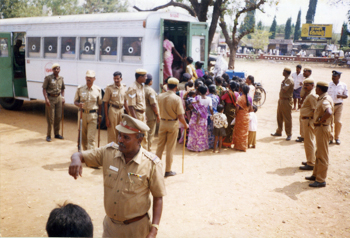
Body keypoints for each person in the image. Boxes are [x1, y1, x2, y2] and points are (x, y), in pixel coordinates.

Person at [69, 114, 166, 237]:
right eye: (119, 135)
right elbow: (80, 155)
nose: (120, 139)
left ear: (139, 139)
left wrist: (154, 229)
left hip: (136, 229)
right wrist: (75, 159)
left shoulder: (151, 164)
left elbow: (158, 197)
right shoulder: (108, 153)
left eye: (126, 137)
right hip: (111, 228)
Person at [156, 78, 188, 177]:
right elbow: (180, 116)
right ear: (176, 87)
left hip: (162, 122)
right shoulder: (177, 98)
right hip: (172, 124)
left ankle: (155, 168)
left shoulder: (160, 96)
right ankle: (168, 170)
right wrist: (186, 125)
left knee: (159, 147)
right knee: (170, 148)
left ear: (167, 85)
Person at [305, 81, 333, 188]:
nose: (315, 90)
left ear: (319, 89)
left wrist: (321, 120)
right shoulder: (324, 97)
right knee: (319, 153)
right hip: (321, 128)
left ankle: (321, 180)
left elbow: (329, 112)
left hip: (322, 128)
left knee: (322, 154)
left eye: (316, 88)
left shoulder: (325, 100)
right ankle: (316, 175)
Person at [74, 70, 102, 150]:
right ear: (85, 78)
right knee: (83, 137)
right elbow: (75, 101)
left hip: (93, 116)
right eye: (87, 77)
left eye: (90, 77)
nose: (88, 79)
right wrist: (78, 104)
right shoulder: (80, 89)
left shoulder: (98, 90)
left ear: (94, 79)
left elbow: (100, 104)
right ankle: (86, 154)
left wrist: (100, 116)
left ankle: (90, 157)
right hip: (82, 115)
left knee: (91, 138)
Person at [103, 71, 128, 143]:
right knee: (112, 132)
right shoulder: (109, 88)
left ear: (121, 79)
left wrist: (129, 114)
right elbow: (105, 103)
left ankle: (118, 150)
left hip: (121, 111)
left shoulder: (124, 88)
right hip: (113, 110)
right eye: (114, 78)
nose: (116, 80)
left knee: (120, 130)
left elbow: (125, 102)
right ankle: (111, 150)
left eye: (117, 78)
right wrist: (106, 118)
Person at [42, 63, 65, 142]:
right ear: (52, 70)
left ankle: (57, 134)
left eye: (57, 68)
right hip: (50, 98)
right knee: (50, 118)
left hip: (58, 98)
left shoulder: (61, 78)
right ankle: (48, 135)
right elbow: (44, 89)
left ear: (59, 70)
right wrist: (46, 99)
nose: (56, 70)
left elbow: (62, 89)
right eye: (55, 69)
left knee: (58, 116)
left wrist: (63, 97)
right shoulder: (48, 78)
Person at [299, 79, 318, 170]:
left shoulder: (312, 95)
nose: (305, 86)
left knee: (309, 142)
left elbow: (315, 110)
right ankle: (310, 159)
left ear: (312, 85)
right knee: (308, 142)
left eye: (307, 85)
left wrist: (312, 122)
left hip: (309, 121)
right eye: (304, 85)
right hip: (306, 120)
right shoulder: (309, 93)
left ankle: (311, 163)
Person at [126, 69, 148, 148]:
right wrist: (136, 121)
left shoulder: (141, 86)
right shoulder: (133, 88)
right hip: (136, 115)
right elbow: (131, 106)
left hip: (142, 114)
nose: (146, 78)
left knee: (144, 136)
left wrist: (144, 115)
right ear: (140, 77)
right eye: (145, 76)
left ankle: (144, 155)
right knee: (136, 136)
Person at [187, 85, 213, 152]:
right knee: (202, 133)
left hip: (195, 117)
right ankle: (201, 147)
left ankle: (193, 147)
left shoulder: (197, 98)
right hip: (204, 118)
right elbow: (210, 108)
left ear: (199, 91)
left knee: (194, 132)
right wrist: (213, 115)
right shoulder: (209, 99)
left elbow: (190, 105)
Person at [271, 67, 294, 141]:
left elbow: (284, 90)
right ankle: (279, 131)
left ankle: (289, 134)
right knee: (279, 116)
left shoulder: (289, 80)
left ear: (286, 72)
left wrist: (282, 86)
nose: (283, 72)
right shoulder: (285, 80)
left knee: (287, 118)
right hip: (281, 100)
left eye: (284, 71)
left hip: (286, 101)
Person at [328, 70, 348, 145]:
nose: (333, 78)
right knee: (329, 122)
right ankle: (330, 138)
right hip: (330, 105)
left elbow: (346, 95)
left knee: (338, 122)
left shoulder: (343, 85)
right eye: (332, 77)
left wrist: (341, 96)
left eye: (335, 77)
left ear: (339, 77)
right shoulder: (329, 85)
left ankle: (337, 137)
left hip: (339, 105)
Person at [296, 67, 313, 143]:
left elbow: (307, 93)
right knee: (302, 119)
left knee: (305, 120)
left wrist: (301, 102)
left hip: (307, 102)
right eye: (303, 71)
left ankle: (305, 136)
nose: (304, 73)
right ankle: (303, 135)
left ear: (310, 72)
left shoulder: (310, 81)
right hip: (304, 100)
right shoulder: (305, 80)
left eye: (305, 72)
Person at [233, 84, 252, 152]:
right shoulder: (250, 98)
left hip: (240, 116)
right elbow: (251, 109)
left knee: (238, 131)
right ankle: (244, 147)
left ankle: (238, 146)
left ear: (242, 90)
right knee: (245, 132)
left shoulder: (240, 98)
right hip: (246, 116)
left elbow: (237, 108)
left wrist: (236, 114)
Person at [221, 81, 240, 147]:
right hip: (233, 110)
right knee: (231, 126)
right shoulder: (237, 93)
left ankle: (225, 143)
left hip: (228, 110)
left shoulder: (227, 93)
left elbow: (222, 98)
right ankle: (230, 142)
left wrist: (222, 93)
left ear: (229, 86)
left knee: (227, 126)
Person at [145, 74, 160, 151]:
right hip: (150, 113)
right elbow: (153, 104)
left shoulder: (141, 88)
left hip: (142, 112)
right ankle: (148, 149)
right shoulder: (150, 90)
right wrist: (157, 114)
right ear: (150, 81)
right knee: (150, 133)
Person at [207, 85, 220, 149]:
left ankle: (208, 144)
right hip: (215, 115)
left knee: (208, 130)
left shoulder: (206, 97)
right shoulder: (217, 97)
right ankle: (214, 144)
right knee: (214, 130)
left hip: (207, 115)